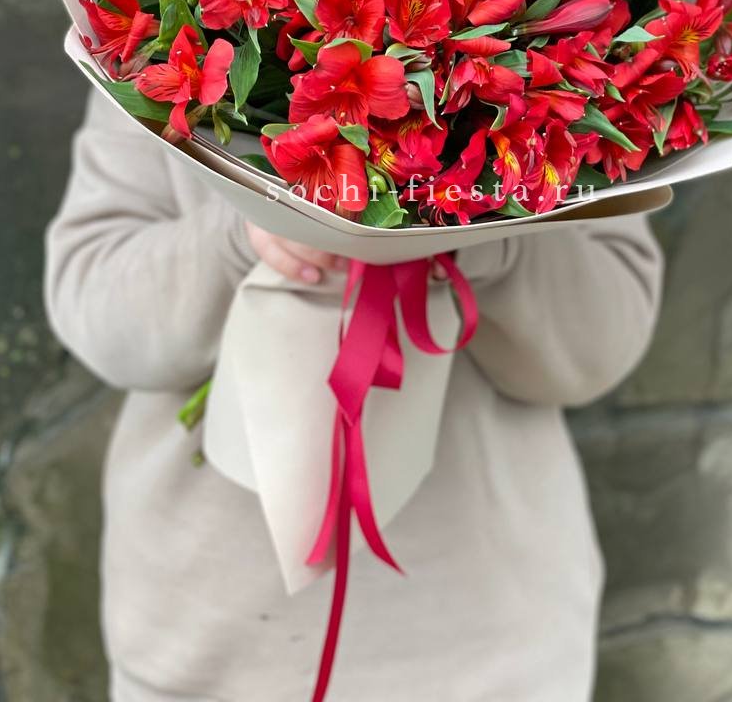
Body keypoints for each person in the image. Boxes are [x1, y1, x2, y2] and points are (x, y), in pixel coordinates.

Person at [46, 87, 664, 702]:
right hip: (206, 647)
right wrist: (248, 228)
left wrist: (483, 230)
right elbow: (94, 305)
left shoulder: (578, 79)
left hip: (489, 649)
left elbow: (602, 345)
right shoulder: (140, 65)